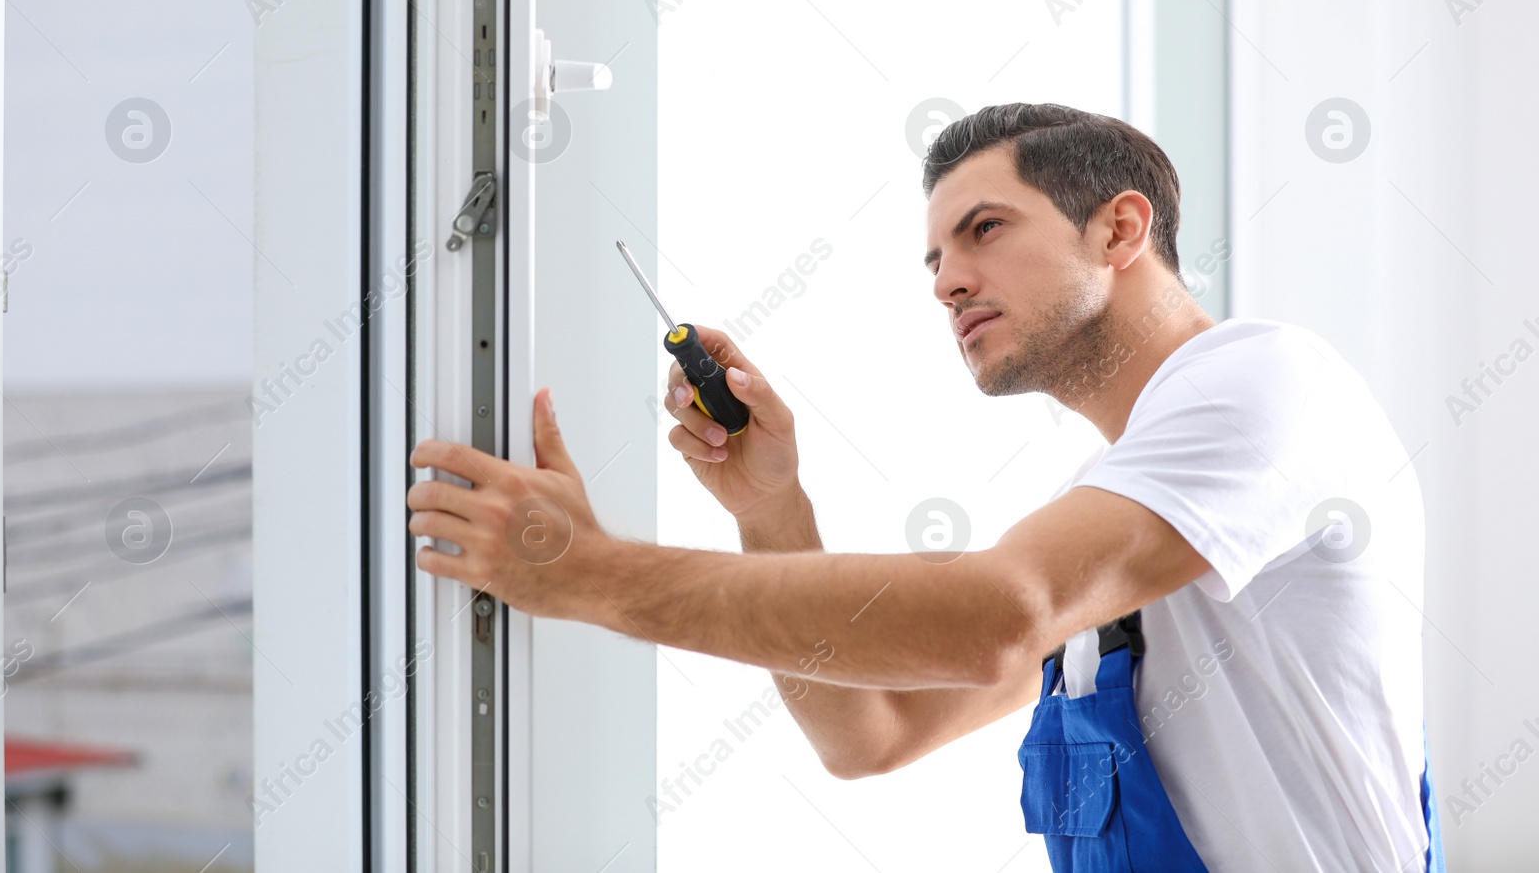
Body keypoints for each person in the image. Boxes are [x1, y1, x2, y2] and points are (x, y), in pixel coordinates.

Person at [406, 103, 1444, 872]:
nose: (946, 279)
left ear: (1120, 231)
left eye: (984, 229)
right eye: (935, 257)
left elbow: (998, 616)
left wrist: (589, 574)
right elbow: (874, 734)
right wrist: (773, 510)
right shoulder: (1126, 522)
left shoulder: (1263, 383)